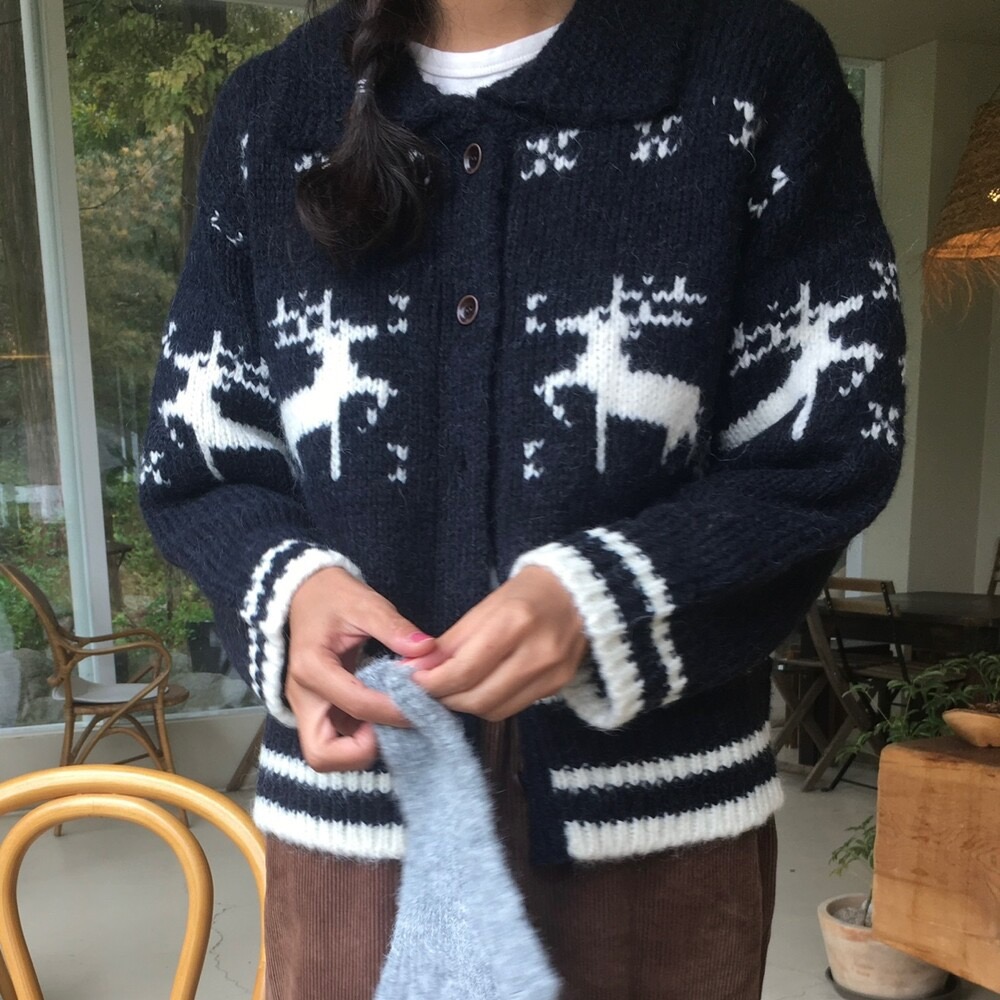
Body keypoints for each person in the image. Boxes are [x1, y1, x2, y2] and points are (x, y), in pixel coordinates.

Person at [139, 0, 906, 996]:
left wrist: (605, 598)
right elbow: (201, 457)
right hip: (356, 836)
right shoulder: (272, 111)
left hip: (651, 848)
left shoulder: (748, 75)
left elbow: (827, 447)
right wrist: (291, 593)